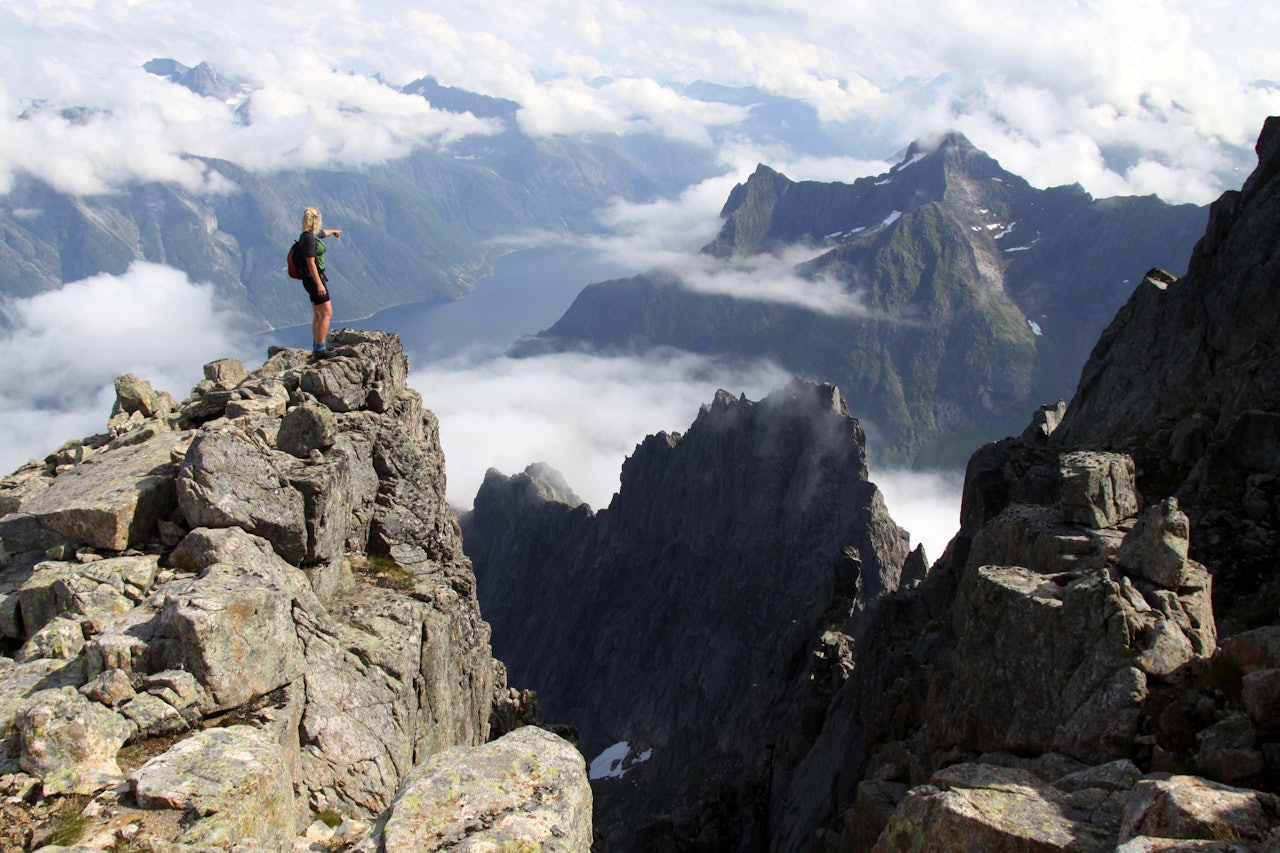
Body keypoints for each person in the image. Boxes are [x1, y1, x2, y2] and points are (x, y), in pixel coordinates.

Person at [297, 206, 342, 357]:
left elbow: (322, 234)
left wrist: (334, 231)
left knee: (317, 314)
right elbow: (311, 263)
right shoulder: (309, 238)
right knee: (327, 313)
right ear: (316, 220)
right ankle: (320, 349)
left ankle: (317, 345)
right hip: (314, 278)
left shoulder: (308, 235)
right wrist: (319, 284)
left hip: (309, 279)